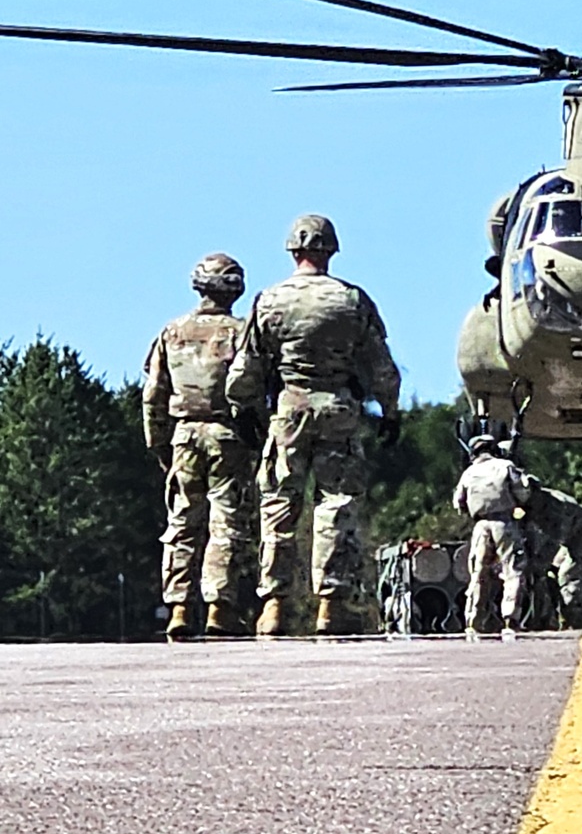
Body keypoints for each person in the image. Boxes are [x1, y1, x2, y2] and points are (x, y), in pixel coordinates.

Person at [226, 214, 400, 636]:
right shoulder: (352, 301)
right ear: (330, 250)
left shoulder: (270, 301)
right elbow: (382, 368)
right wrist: (390, 411)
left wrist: (244, 409)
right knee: (336, 504)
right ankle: (330, 605)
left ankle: (274, 606)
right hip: (339, 407)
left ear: (293, 250)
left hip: (289, 409)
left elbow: (244, 370)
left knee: (279, 505)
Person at [142, 253, 254, 640]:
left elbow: (153, 392)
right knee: (226, 521)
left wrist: (157, 442)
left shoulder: (171, 332)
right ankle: (220, 608)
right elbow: (253, 388)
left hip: (184, 435)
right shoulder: (242, 333)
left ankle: (178, 607)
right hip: (228, 435)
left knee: (182, 522)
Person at [453, 434, 532, 638]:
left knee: (478, 573)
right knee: (512, 570)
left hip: (480, 525)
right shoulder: (505, 466)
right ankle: (510, 617)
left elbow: (458, 503)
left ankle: (473, 620)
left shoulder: (468, 473)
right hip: (504, 522)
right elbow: (523, 493)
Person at [525, 485, 582, 627]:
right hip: (570, 537)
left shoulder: (555, 506)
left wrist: (540, 563)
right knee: (548, 573)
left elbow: (556, 538)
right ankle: (551, 616)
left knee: (568, 576)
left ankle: (574, 620)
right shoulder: (533, 504)